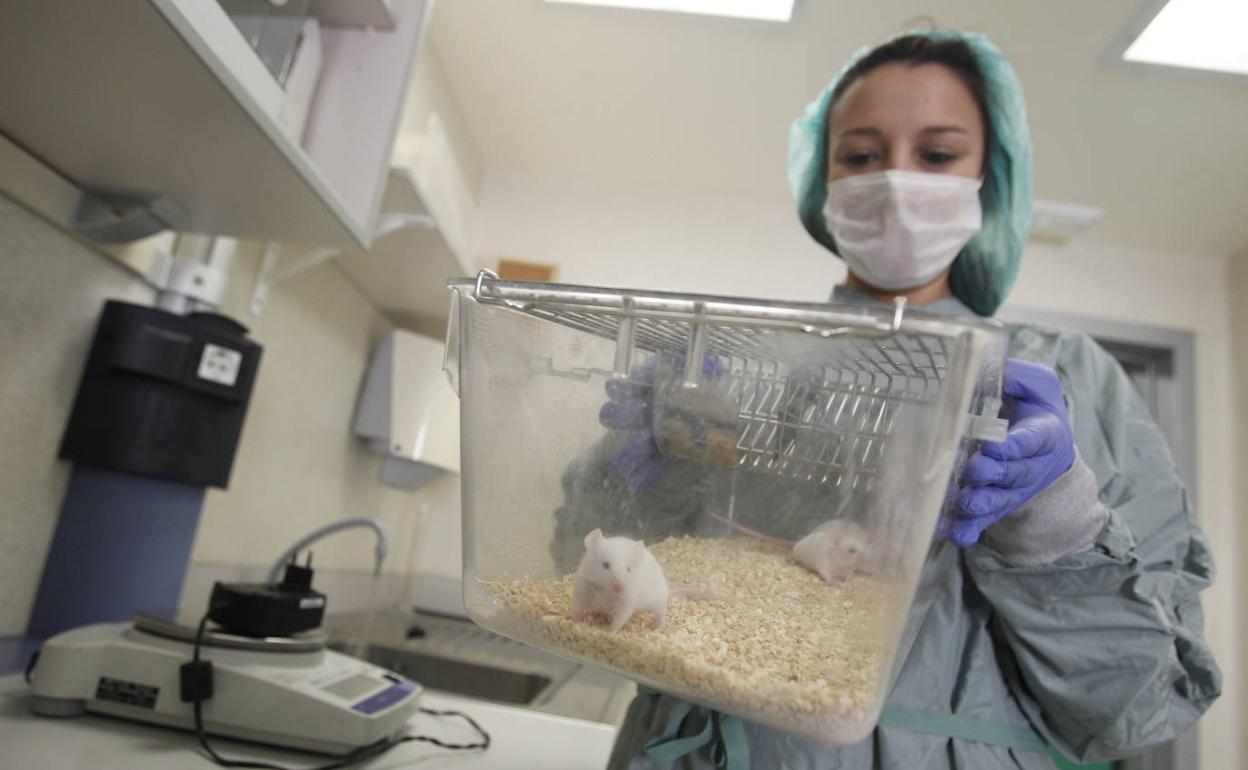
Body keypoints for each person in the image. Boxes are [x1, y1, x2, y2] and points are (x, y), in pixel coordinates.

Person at [594, 29, 1221, 769]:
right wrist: (637, 480)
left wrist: (1053, 524)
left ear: (989, 177)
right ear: (822, 180)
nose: (895, 181)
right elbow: (582, 589)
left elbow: (1139, 704)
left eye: (937, 155)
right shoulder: (738, 364)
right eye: (862, 156)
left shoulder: (1069, 381)